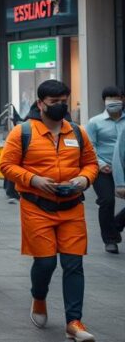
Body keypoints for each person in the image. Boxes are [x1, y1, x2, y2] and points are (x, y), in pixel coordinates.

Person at [0, 80, 99, 342]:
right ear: (40, 104)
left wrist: (83, 180)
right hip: (36, 208)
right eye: (54, 103)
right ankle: (39, 297)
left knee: (73, 264)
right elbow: (7, 166)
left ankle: (73, 322)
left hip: (72, 207)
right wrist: (34, 179)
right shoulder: (23, 132)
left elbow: (90, 163)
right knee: (45, 262)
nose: (60, 107)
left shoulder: (77, 132)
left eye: (64, 102)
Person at [84, 86, 125, 253]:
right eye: (109, 98)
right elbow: (89, 147)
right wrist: (101, 164)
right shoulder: (95, 122)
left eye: (117, 98)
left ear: (123, 99)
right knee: (107, 200)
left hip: (123, 167)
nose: (113, 101)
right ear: (104, 101)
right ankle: (110, 239)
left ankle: (117, 223)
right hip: (103, 169)